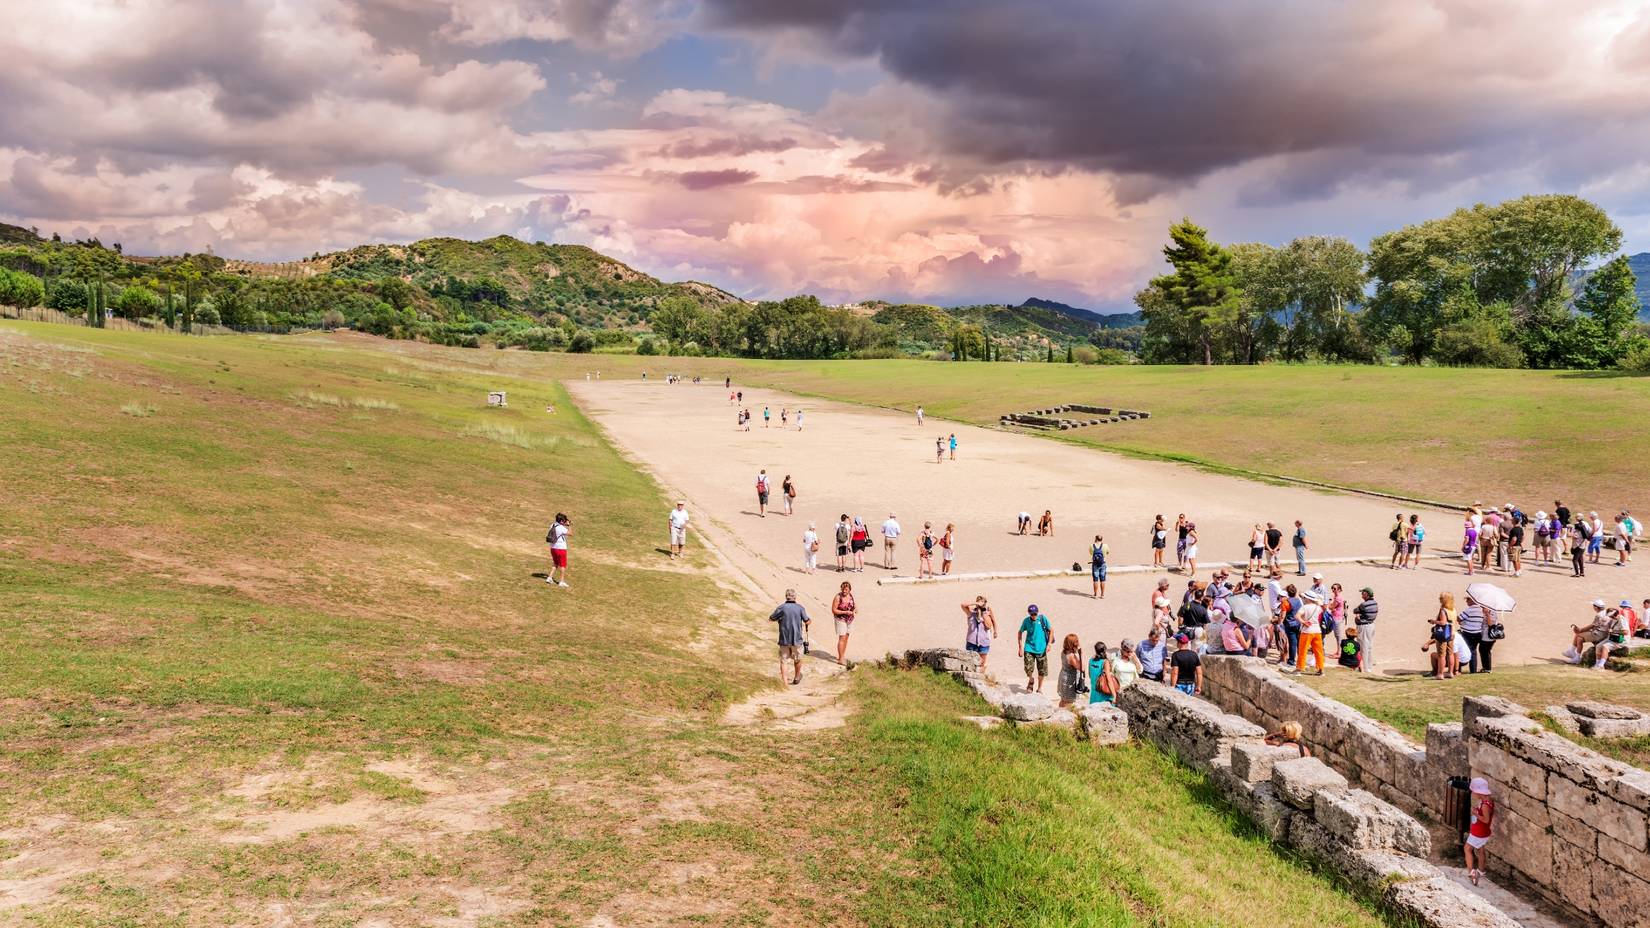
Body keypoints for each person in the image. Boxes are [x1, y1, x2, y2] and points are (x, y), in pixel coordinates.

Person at [769, 589, 811, 685]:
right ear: (795, 597)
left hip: (784, 638)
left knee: (784, 661)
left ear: (786, 596)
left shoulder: (781, 608)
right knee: (798, 659)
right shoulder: (800, 608)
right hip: (796, 639)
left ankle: (785, 683)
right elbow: (807, 621)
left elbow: (771, 618)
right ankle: (796, 677)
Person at [1565, 599, 1616, 667]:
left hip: (1598, 635)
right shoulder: (1606, 613)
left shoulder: (1599, 615)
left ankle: (1574, 654)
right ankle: (1574, 654)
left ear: (1596, 607)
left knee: (1579, 636)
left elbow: (1592, 625)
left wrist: (1580, 630)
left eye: (1593, 605)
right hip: (1604, 634)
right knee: (1580, 637)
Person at [1464, 778, 1495, 885]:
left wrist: (1476, 813)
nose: (1472, 792)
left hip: (1479, 832)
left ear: (1478, 791)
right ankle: (1481, 871)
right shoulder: (1487, 801)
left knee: (1467, 849)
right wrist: (1477, 810)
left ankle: (1472, 873)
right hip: (1483, 831)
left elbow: (1486, 820)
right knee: (1481, 849)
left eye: (1473, 791)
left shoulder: (1485, 805)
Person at [1018, 604, 1052, 693]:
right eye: (1032, 614)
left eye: (1035, 614)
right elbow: (1020, 632)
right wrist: (1020, 647)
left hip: (1041, 649)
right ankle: (1031, 680)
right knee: (1028, 668)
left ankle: (1039, 688)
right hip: (1029, 648)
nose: (1034, 615)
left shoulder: (1042, 619)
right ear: (1029, 613)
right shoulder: (1026, 621)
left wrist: (1049, 644)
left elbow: (1051, 630)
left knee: (1042, 671)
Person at [1457, 593, 1494, 673]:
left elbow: (1459, 619)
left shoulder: (1469, 609)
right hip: (1477, 634)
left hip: (1467, 633)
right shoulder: (1482, 610)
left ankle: (1457, 670)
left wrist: (1462, 622)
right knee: (1473, 651)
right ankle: (1473, 670)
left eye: (1468, 599)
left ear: (1473, 600)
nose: (1466, 601)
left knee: (1461, 650)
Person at [1293, 590, 1326, 675]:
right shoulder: (1318, 608)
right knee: (1318, 651)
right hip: (1317, 630)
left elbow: (1297, 616)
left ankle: (1300, 668)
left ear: (1307, 598)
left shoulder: (1305, 607)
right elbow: (1322, 610)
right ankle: (1320, 669)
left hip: (1307, 630)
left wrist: (1303, 622)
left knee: (1303, 650)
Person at [1425, 593, 1456, 680]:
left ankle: (1440, 674)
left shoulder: (1443, 610)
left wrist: (1433, 621)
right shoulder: (1453, 609)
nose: (1439, 599)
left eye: (1441, 598)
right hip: (1452, 633)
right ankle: (1450, 672)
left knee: (1441, 655)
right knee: (1450, 653)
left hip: (1443, 634)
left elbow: (1443, 622)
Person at [963, 597, 996, 671]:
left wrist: (983, 614)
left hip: (984, 642)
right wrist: (976, 603)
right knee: (969, 664)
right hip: (971, 641)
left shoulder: (987, 613)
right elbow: (963, 604)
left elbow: (989, 626)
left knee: (982, 664)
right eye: (979, 602)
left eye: (982, 602)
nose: (980, 604)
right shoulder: (971, 612)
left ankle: (981, 679)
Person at [1353, 587, 1378, 672]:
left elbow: (1355, 610)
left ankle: (1366, 668)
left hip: (1364, 627)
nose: (1361, 594)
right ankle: (1369, 666)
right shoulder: (1375, 603)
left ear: (1367, 594)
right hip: (1371, 626)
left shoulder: (1364, 605)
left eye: (1363, 593)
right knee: (1369, 647)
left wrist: (1358, 616)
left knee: (1363, 648)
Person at [831, 582, 856, 665]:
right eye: (842, 589)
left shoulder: (850, 595)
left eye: (846, 589)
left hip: (849, 619)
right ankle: (841, 659)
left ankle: (842, 656)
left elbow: (854, 605)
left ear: (849, 590)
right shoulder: (838, 597)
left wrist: (855, 609)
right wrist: (845, 612)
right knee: (842, 638)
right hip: (840, 619)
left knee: (846, 638)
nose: (844, 591)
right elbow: (834, 610)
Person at [1057, 634, 1085, 707]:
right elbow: (1082, 668)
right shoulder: (1071, 657)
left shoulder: (1064, 651)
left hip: (1063, 677)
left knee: (1063, 700)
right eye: (1077, 641)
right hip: (1069, 682)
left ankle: (1060, 714)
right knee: (1068, 703)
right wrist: (1081, 654)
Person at [546, 512, 571, 588]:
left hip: (553, 548)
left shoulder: (552, 525)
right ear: (561, 521)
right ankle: (561, 581)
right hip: (561, 549)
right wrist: (569, 526)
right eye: (564, 520)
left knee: (555, 563)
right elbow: (570, 533)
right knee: (563, 565)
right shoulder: (561, 528)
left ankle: (549, 578)